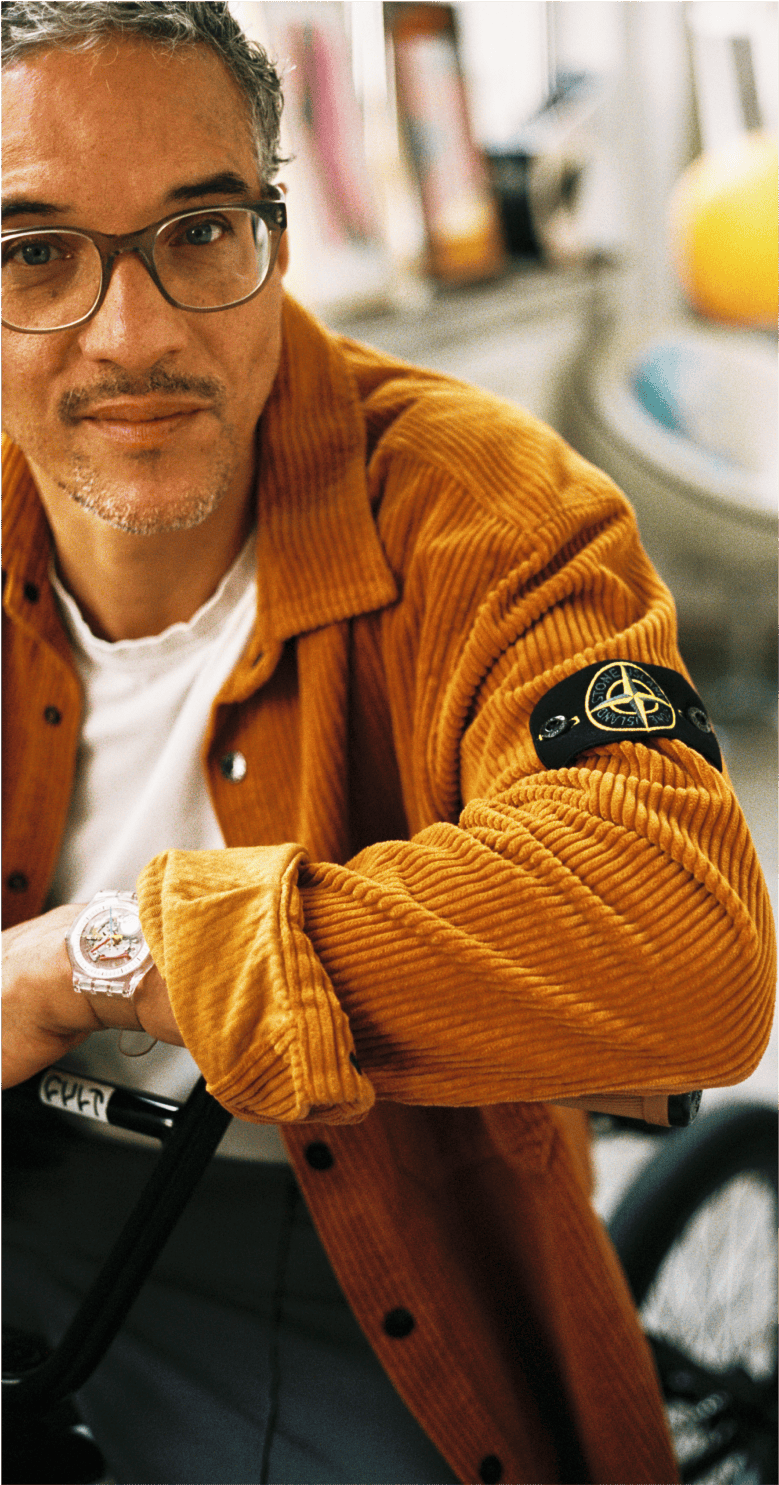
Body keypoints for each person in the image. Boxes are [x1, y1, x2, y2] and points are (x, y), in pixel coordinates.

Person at [1, 3, 774, 1483]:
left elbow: (685, 945)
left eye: (199, 232)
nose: (135, 334)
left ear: (276, 238)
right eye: (34, 252)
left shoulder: (491, 514)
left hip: (343, 1237)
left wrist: (85, 962)